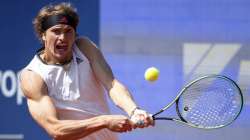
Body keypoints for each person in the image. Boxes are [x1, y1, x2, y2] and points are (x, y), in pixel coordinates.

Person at [19, 2, 154, 140]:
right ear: (43, 35)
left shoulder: (84, 47)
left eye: (68, 31)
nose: (63, 38)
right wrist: (104, 121)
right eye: (56, 31)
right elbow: (56, 129)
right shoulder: (32, 76)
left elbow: (111, 84)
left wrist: (134, 110)